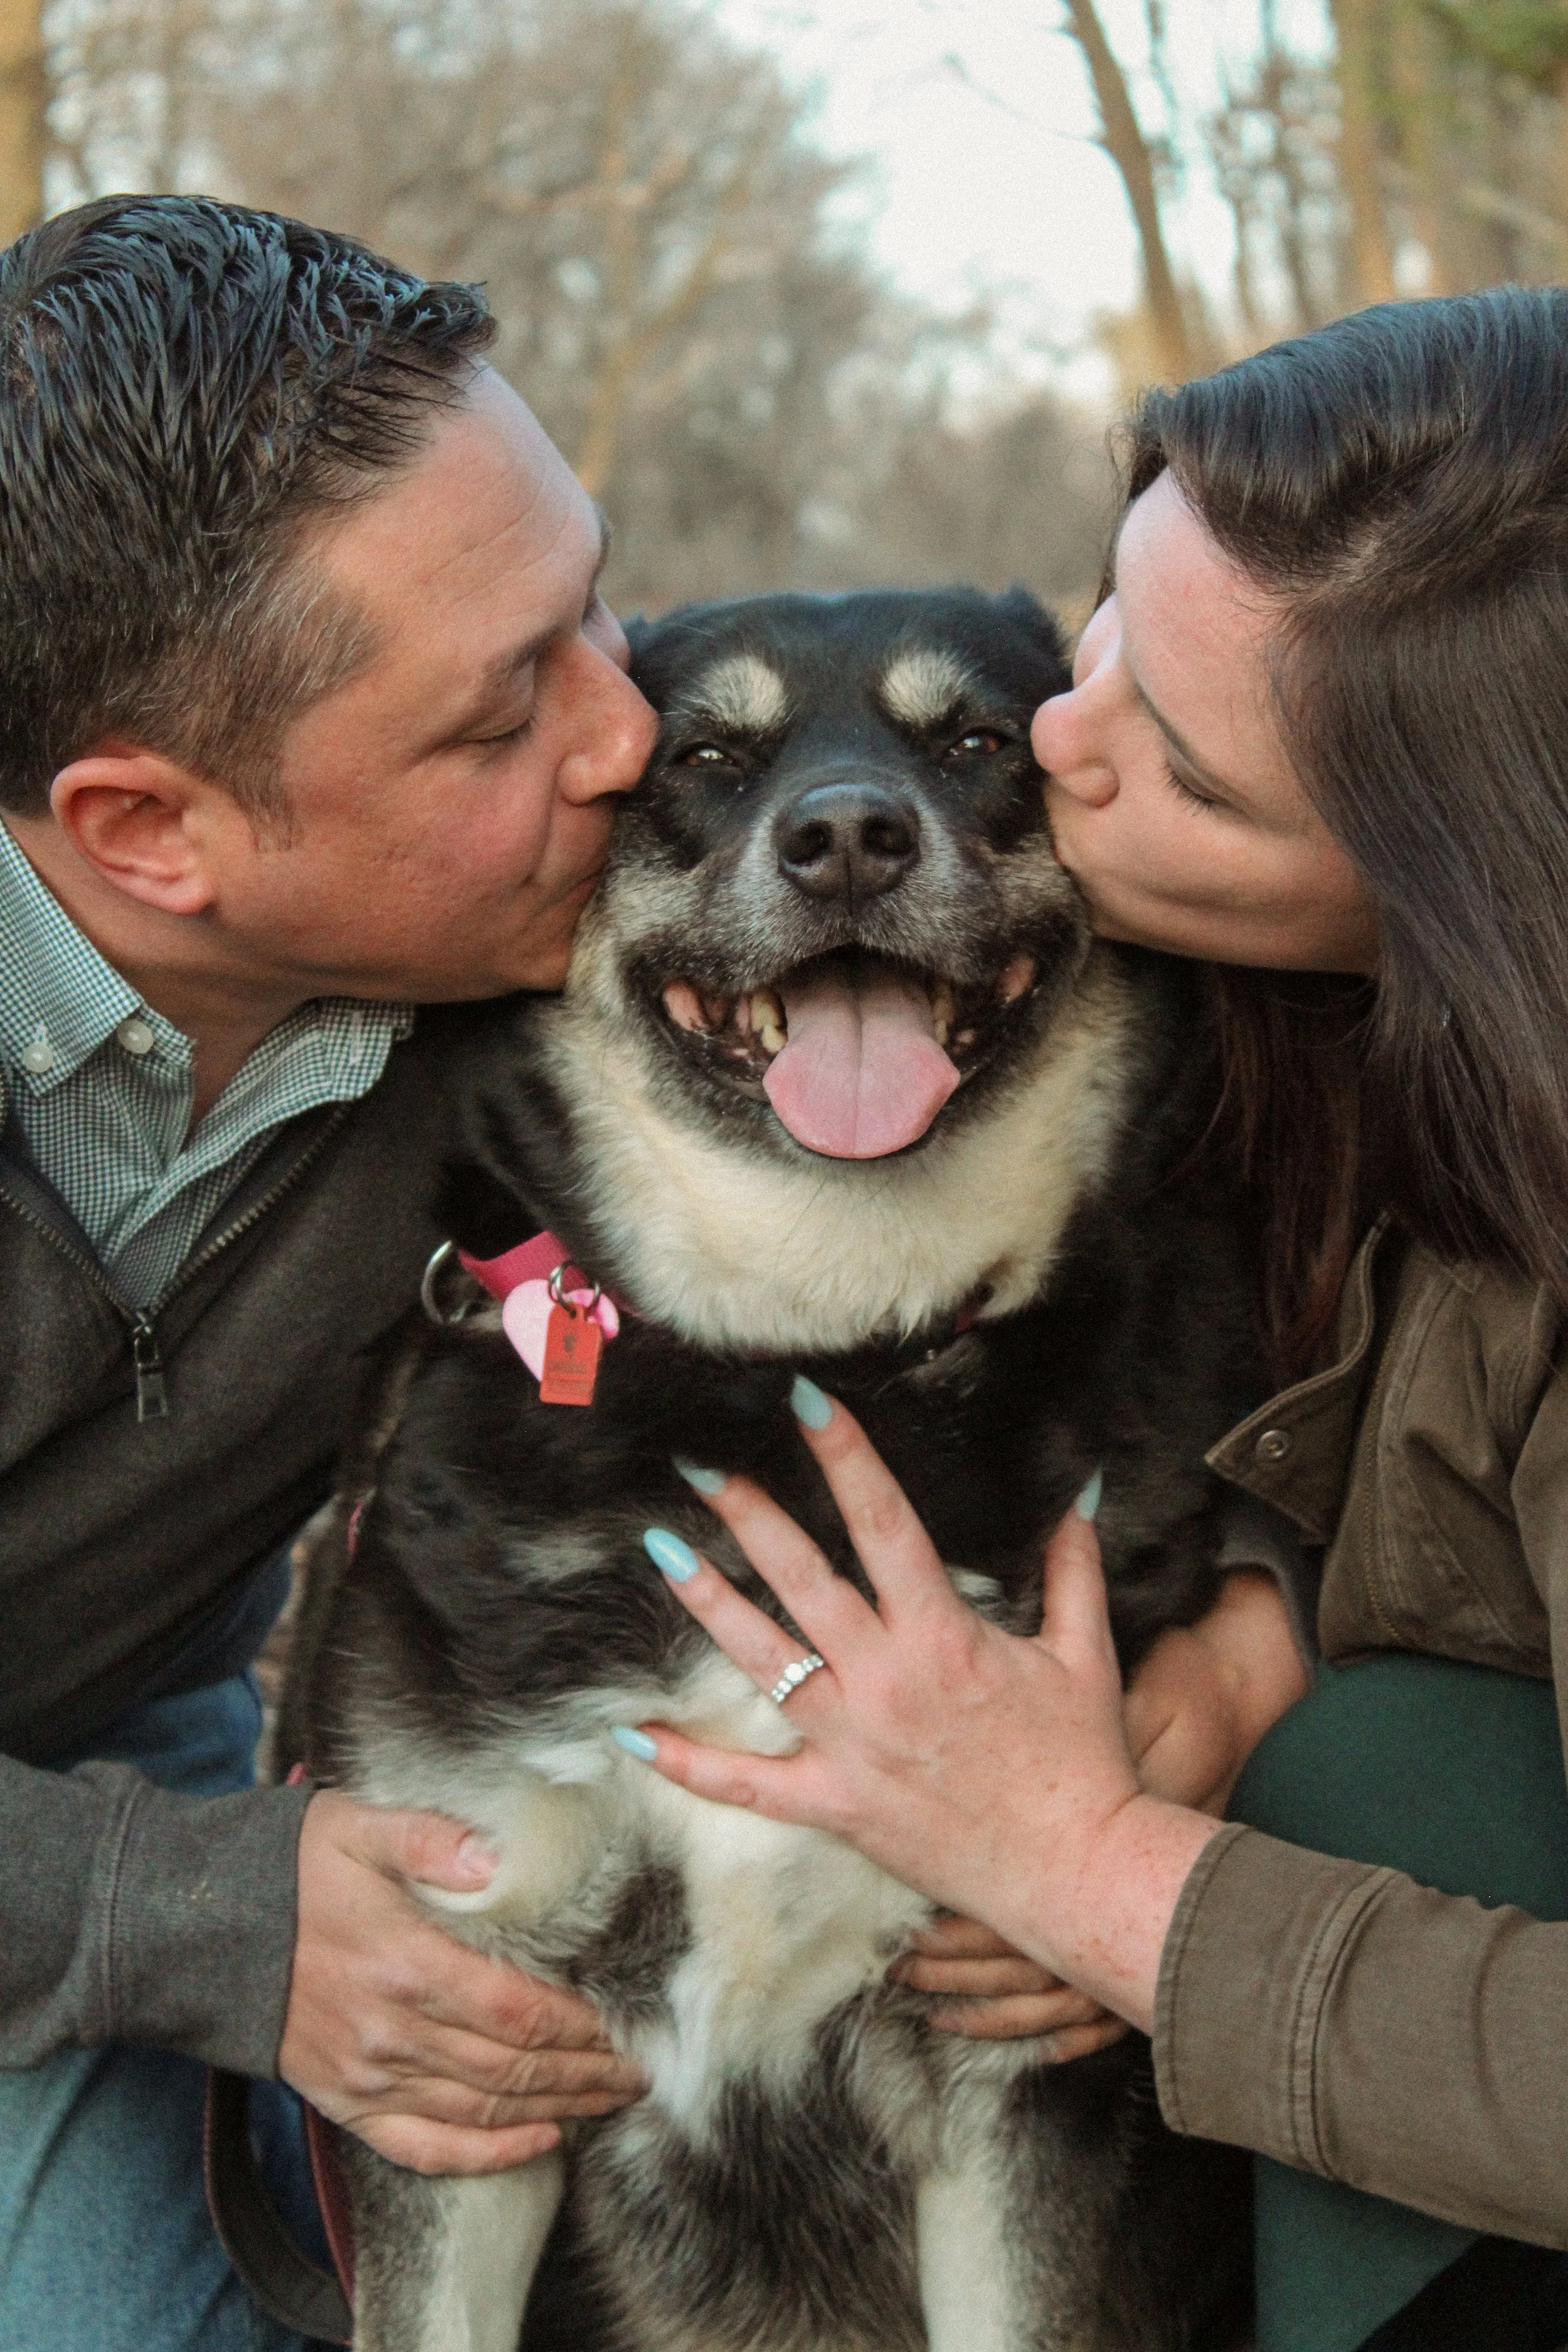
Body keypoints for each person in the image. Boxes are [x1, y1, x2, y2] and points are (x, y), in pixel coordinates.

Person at [0, 190, 1067, 2352]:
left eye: (598, 611)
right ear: (150, 833)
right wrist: (189, 1916)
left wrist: (1225, 1653)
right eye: (502, 718)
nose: (624, 742)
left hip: (118, 1738)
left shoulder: (547, 987)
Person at [623, 285, 1568, 2352]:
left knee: (1397, 1769)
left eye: (1188, 774)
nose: (1053, 748)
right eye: (1108, 625)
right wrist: (1261, 1621)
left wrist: (1101, 1879)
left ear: (1460, 898)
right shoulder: (1246, 1031)